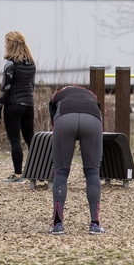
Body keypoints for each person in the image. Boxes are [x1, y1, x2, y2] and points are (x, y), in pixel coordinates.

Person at [47, 85, 106, 235]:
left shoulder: (58, 94)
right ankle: (95, 224)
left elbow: (53, 115)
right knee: (92, 172)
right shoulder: (91, 95)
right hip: (92, 121)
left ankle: (58, 224)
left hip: (65, 120)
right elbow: (98, 109)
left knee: (61, 171)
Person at [0, 31, 36, 182]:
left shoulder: (10, 64)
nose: (4, 45)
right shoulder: (31, 62)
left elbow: (5, 88)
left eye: (6, 42)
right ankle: (39, 173)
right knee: (31, 139)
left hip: (13, 105)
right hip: (29, 105)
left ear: (10, 44)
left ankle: (18, 175)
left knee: (15, 140)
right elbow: (32, 85)